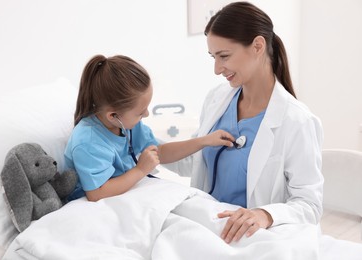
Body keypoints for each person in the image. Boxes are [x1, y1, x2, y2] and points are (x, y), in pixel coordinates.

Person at [165, 1, 324, 244]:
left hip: (249, 239)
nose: (217, 69)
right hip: (205, 226)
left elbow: (310, 205)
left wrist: (265, 214)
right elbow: (194, 162)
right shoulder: (217, 100)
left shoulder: (297, 121)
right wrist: (140, 141)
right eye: (213, 57)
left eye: (224, 56)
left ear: (258, 46)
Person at [64, 54, 235, 202]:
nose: (146, 114)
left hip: (129, 191)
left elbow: (160, 152)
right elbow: (96, 193)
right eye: (139, 112)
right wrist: (140, 170)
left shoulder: (127, 125)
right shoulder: (88, 141)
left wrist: (204, 141)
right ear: (113, 115)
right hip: (94, 203)